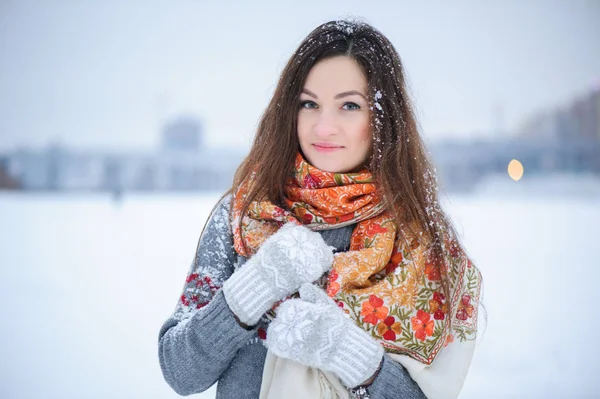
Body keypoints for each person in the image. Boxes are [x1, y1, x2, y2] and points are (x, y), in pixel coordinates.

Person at [158, 18, 483, 399]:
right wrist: (252, 289)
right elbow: (180, 370)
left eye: (349, 105)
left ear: (383, 118)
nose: (324, 127)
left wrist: (354, 357)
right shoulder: (244, 216)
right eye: (309, 104)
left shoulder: (420, 238)